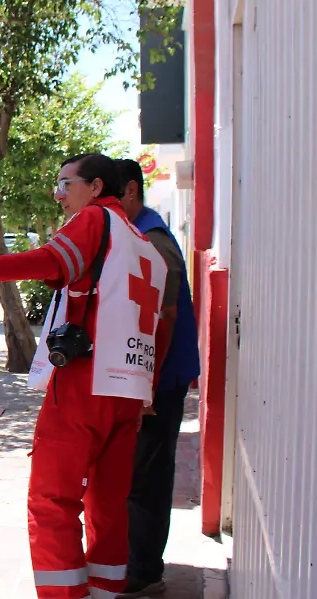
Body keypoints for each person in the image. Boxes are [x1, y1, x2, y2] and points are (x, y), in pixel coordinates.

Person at [0, 152, 169, 599]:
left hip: (85, 385)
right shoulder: (145, 245)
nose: (58, 194)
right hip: (129, 391)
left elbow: (53, 262)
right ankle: (104, 591)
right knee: (109, 507)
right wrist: (147, 389)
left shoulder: (95, 219)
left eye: (65, 184)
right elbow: (160, 323)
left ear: (96, 188)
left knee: (52, 501)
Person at [114, 159, 201, 598]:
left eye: (111, 195)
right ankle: (138, 562)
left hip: (160, 381)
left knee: (147, 476)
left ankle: (144, 571)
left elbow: (163, 317)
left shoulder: (152, 239)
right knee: (139, 473)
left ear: (130, 191)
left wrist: (147, 384)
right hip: (154, 377)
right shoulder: (139, 232)